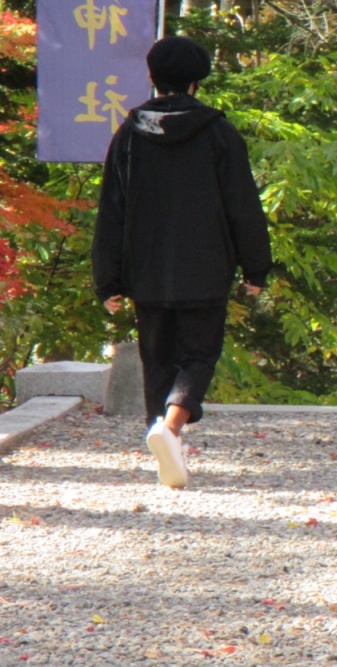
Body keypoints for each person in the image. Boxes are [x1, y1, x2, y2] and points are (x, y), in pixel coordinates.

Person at [92, 35, 271, 488]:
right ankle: (170, 431)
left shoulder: (129, 135)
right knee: (199, 354)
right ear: (196, 82)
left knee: (157, 358)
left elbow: (112, 209)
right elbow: (243, 206)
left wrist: (108, 279)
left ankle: (165, 444)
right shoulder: (219, 133)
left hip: (146, 270)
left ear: (153, 78)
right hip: (206, 267)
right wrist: (256, 267)